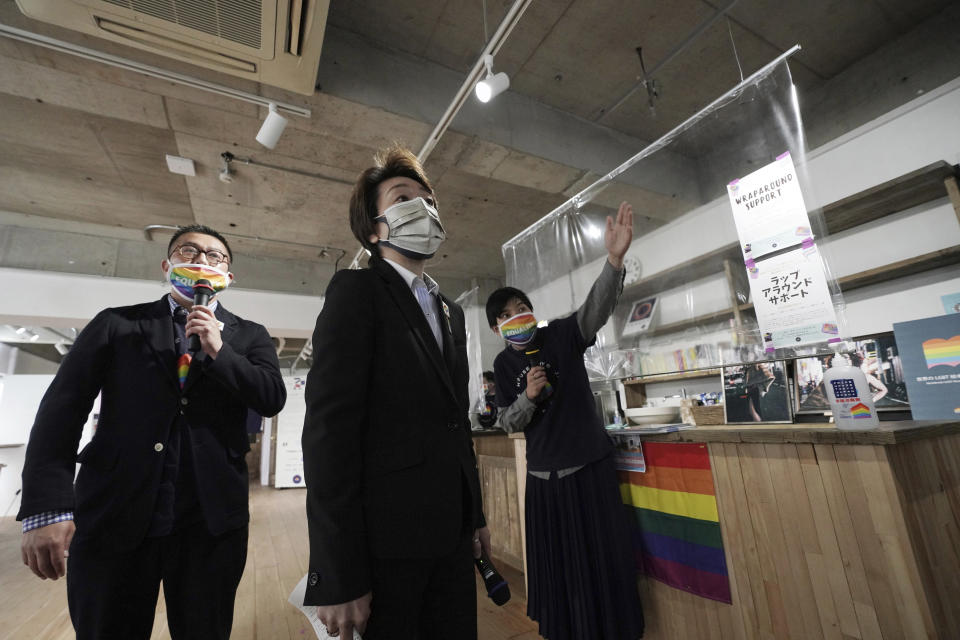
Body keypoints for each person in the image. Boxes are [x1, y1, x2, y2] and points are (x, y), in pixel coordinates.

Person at [18, 224, 287, 639]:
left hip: (211, 522)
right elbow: (61, 412)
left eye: (215, 257)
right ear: (167, 265)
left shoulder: (250, 336)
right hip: (115, 514)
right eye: (189, 252)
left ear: (229, 277)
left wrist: (220, 350)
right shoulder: (116, 324)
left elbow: (270, 397)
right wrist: (46, 506)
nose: (201, 261)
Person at [302, 147, 489, 640]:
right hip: (385, 542)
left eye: (430, 201)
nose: (424, 209)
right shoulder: (355, 292)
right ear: (373, 228)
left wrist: (475, 515)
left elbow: (455, 424)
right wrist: (335, 570)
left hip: (450, 534)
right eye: (405, 198)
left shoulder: (452, 311)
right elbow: (329, 433)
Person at [486, 201, 643, 640]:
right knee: (558, 569)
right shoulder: (501, 367)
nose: (514, 315)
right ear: (497, 329)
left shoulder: (561, 334)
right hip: (543, 481)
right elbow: (506, 422)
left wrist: (614, 261)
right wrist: (529, 398)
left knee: (602, 561)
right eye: (503, 315)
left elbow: (595, 308)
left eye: (519, 306)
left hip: (589, 470)